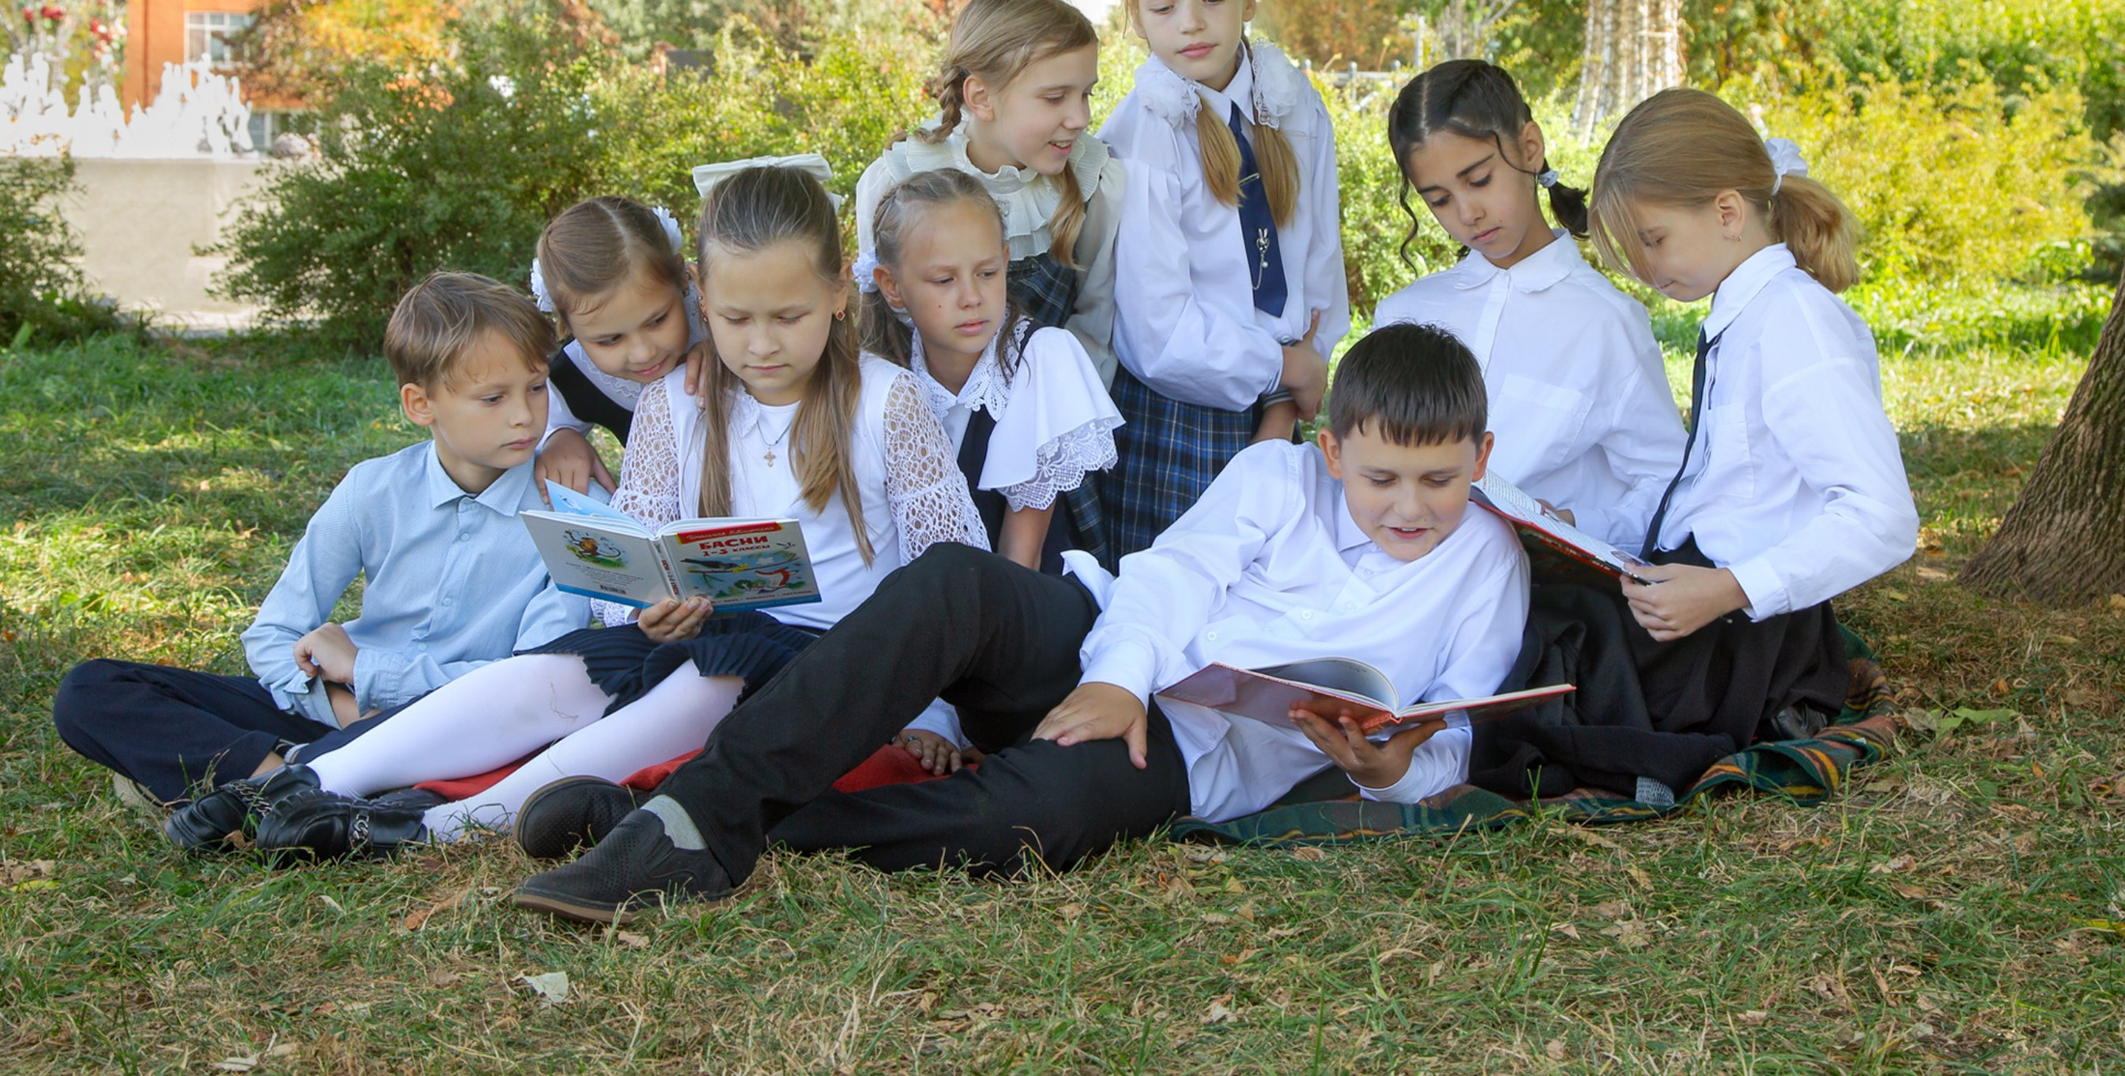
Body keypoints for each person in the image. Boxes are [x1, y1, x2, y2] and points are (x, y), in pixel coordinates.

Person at [504, 322, 1530, 921]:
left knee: (1020, 818)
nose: (1409, 504)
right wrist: (1119, 675)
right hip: (1102, 646)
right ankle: (704, 805)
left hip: (1195, 756)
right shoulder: (1276, 473)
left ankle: (668, 822)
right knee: (957, 580)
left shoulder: (1489, 562)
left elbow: (1458, 726)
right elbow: (1174, 576)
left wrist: (1390, 770)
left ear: (1480, 459)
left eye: (1440, 479)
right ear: (1332, 449)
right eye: (1381, 475)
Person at [242, 159, 992, 857]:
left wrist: (928, 713)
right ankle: (309, 779)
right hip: (699, 632)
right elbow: (625, 556)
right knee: (558, 671)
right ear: (703, 298)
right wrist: (640, 611)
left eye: (788, 317)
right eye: (734, 320)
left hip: (831, 657)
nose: (760, 343)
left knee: (708, 679)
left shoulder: (888, 399)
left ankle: (425, 826)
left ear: (836, 294)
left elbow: (949, 577)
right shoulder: (675, 403)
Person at [1473, 89, 1918, 802]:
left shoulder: (1796, 323)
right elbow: (1720, 493)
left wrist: (1728, 588)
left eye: (1653, 239)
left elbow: (1884, 517)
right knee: (1532, 612)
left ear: (1728, 211)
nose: (1647, 269)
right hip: (1707, 594)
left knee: (1543, 665)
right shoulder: (1744, 312)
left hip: (1747, 631)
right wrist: (1582, 533)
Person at [51, 273, 587, 837]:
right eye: (493, 398)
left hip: (463, 726)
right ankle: (281, 782)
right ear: (420, 403)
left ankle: (251, 780)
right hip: (335, 710)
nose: (525, 415)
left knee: (514, 743)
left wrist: (365, 669)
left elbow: (533, 684)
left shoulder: (570, 510)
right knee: (89, 691)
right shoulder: (371, 489)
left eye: (535, 387)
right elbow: (273, 634)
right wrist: (348, 708)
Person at [1097, 0, 1348, 566]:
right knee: (1170, 608)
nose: (1191, 22)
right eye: (1163, 6)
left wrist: (1293, 391)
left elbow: (1320, 266)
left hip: (1282, 400)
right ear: (1135, 17)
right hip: (1180, 414)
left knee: (1258, 607)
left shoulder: (1295, 104)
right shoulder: (1147, 129)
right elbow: (1158, 331)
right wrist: (1283, 366)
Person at [1371, 60, 1686, 543]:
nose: (1468, 213)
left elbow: (1667, 483)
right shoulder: (1402, 316)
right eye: (1438, 200)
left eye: (1479, 181)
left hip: (1546, 589)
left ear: (1531, 148)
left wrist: (1573, 524)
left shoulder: (1605, 322)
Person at [854, 0, 1125, 385]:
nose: (1080, 118)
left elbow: (1094, 326)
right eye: (1055, 97)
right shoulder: (895, 182)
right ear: (981, 98)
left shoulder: (1094, 184)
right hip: (923, 415)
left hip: (1043, 412)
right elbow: (881, 329)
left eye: (1086, 94)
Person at [861, 169, 1122, 573]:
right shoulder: (879, 372)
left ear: (1005, 260)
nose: (971, 298)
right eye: (944, 279)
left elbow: (1022, 560)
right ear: (891, 285)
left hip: (1021, 604)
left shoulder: (1037, 363)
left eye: (987, 273)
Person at [528, 197, 699, 499]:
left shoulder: (729, 314)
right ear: (566, 325)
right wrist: (561, 437)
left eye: (658, 320)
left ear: (682, 276)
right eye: (610, 340)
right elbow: (548, 422)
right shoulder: (573, 377)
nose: (643, 353)